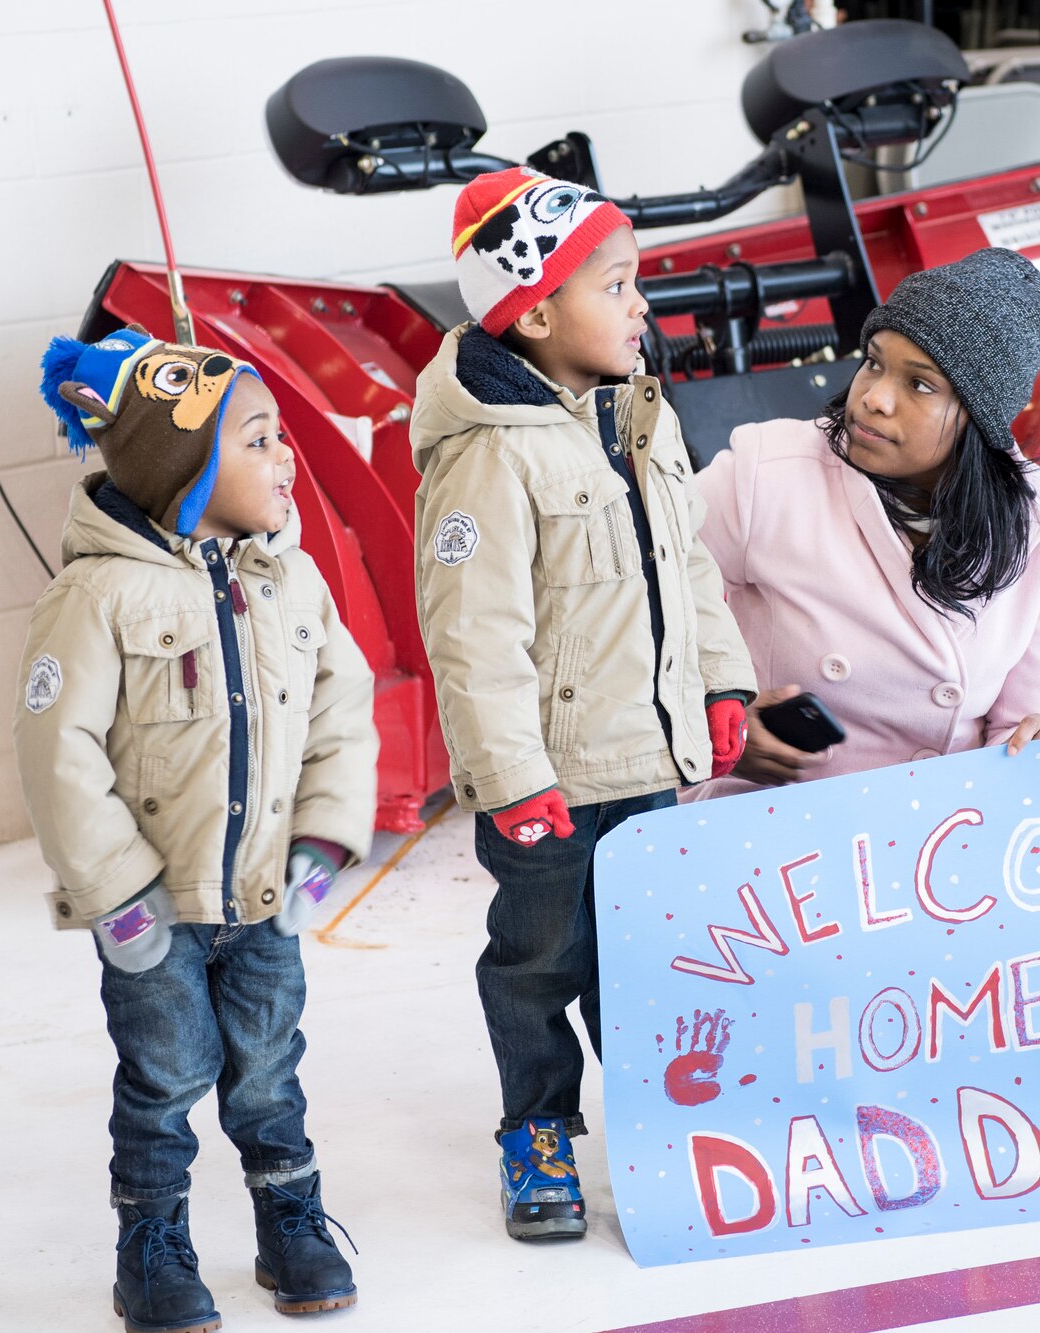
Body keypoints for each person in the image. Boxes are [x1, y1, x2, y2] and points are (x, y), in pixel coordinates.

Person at [410, 167, 757, 1241]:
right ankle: (539, 1128)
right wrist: (511, 781)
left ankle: (662, 1130)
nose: (642, 308)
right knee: (539, 962)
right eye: (617, 286)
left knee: (649, 962)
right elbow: (473, 641)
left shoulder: (637, 415)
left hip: (650, 762)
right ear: (537, 308)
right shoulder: (486, 457)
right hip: (553, 785)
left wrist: (721, 679)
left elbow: (687, 565)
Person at [15, 325, 376, 1331]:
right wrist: (112, 893)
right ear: (185, 467)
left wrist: (325, 839)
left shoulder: (289, 580)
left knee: (268, 1067)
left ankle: (289, 1216)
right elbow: (57, 752)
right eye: (257, 439)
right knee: (164, 1074)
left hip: (266, 887)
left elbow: (341, 713)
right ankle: (152, 1238)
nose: (284, 457)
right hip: (152, 911)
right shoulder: (95, 596)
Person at [685, 246, 1040, 800]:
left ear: (981, 417)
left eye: (920, 385)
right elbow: (632, 618)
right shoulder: (769, 472)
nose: (873, 398)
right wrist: (716, 728)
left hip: (938, 835)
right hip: (767, 832)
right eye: (873, 362)